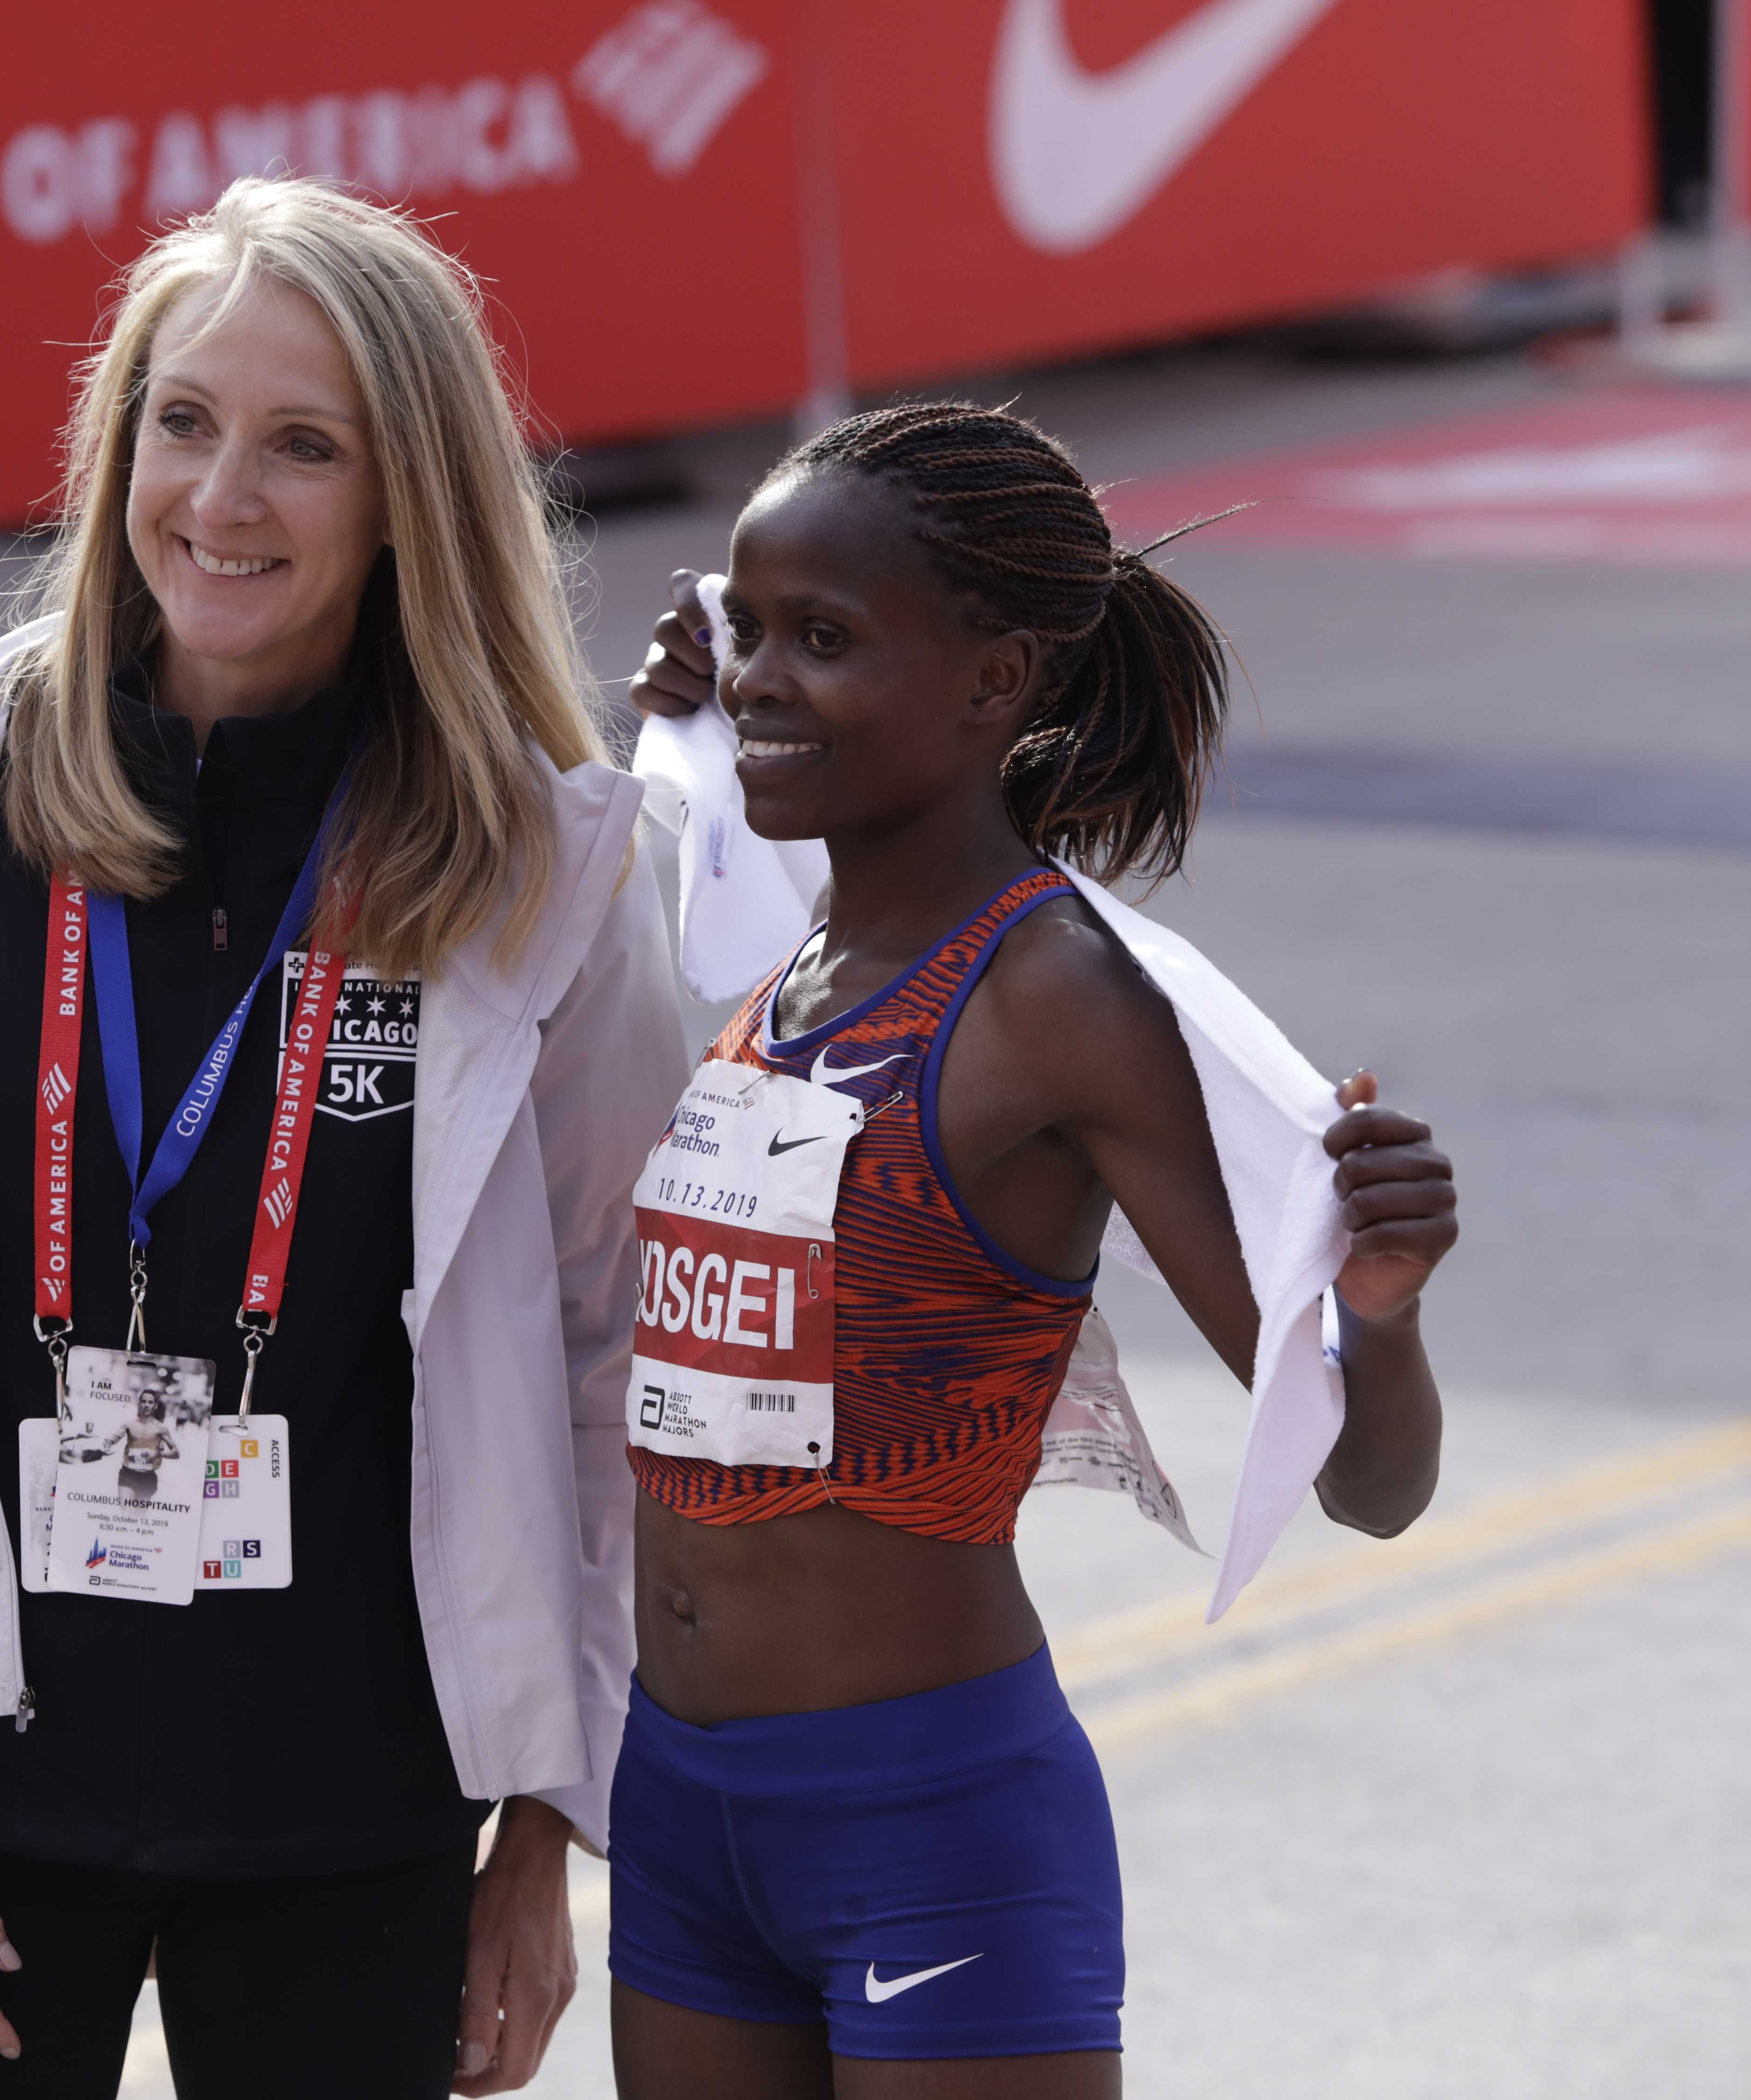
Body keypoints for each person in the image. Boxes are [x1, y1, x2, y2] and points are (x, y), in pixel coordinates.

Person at [0, 178, 685, 2100]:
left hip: (359, 1824)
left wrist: (553, 1821)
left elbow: (612, 1353)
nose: (221, 499)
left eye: (307, 445)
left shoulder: (535, 870)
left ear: (415, 502)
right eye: (185, 420)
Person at [610, 402, 1460, 2094]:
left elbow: (1366, 1480)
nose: (766, 676)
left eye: (825, 641)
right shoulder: (786, 971)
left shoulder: (1055, 999)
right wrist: (688, 749)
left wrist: (1384, 1312)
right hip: (683, 1805)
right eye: (750, 628)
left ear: (995, 682)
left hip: (928, 1823)